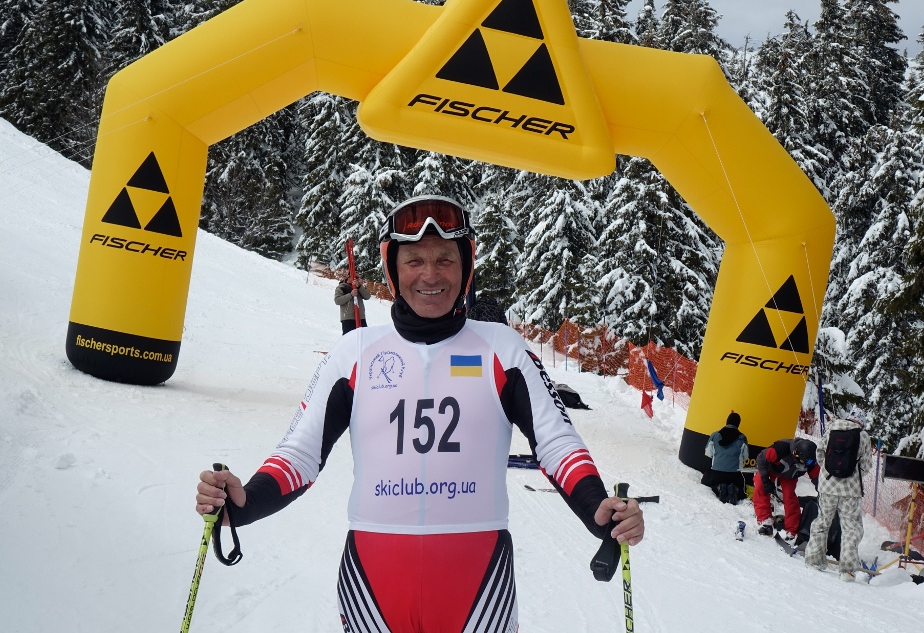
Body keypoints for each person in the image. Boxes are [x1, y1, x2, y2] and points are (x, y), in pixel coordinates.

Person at [195, 195, 644, 633]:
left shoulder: (502, 349)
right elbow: (300, 453)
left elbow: (557, 442)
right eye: (414, 261)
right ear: (393, 271)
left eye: (445, 259)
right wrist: (246, 501)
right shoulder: (354, 353)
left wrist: (596, 506)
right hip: (373, 583)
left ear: (466, 268)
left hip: (478, 584)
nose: (431, 275)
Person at [804, 406, 872, 581]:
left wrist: (829, 472)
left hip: (827, 487)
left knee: (822, 522)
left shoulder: (831, 430)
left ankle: (814, 560)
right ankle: (847, 570)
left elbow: (820, 454)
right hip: (851, 491)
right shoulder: (863, 436)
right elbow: (866, 465)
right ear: (861, 422)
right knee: (851, 528)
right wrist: (853, 475)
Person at [753, 437, 820, 538]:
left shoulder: (810, 459)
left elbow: (817, 478)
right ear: (797, 454)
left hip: (790, 476)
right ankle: (765, 520)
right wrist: (766, 481)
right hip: (771, 469)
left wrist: (822, 492)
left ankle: (792, 530)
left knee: (789, 497)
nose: (808, 464)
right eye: (806, 462)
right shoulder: (780, 449)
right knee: (760, 485)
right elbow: (761, 458)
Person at [702, 411, 749, 503]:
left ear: (727, 421)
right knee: (742, 487)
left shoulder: (715, 435)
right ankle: (735, 489)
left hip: (717, 473)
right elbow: (745, 457)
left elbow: (708, 453)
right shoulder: (742, 438)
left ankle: (718, 487)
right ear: (738, 424)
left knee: (706, 482)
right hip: (735, 475)